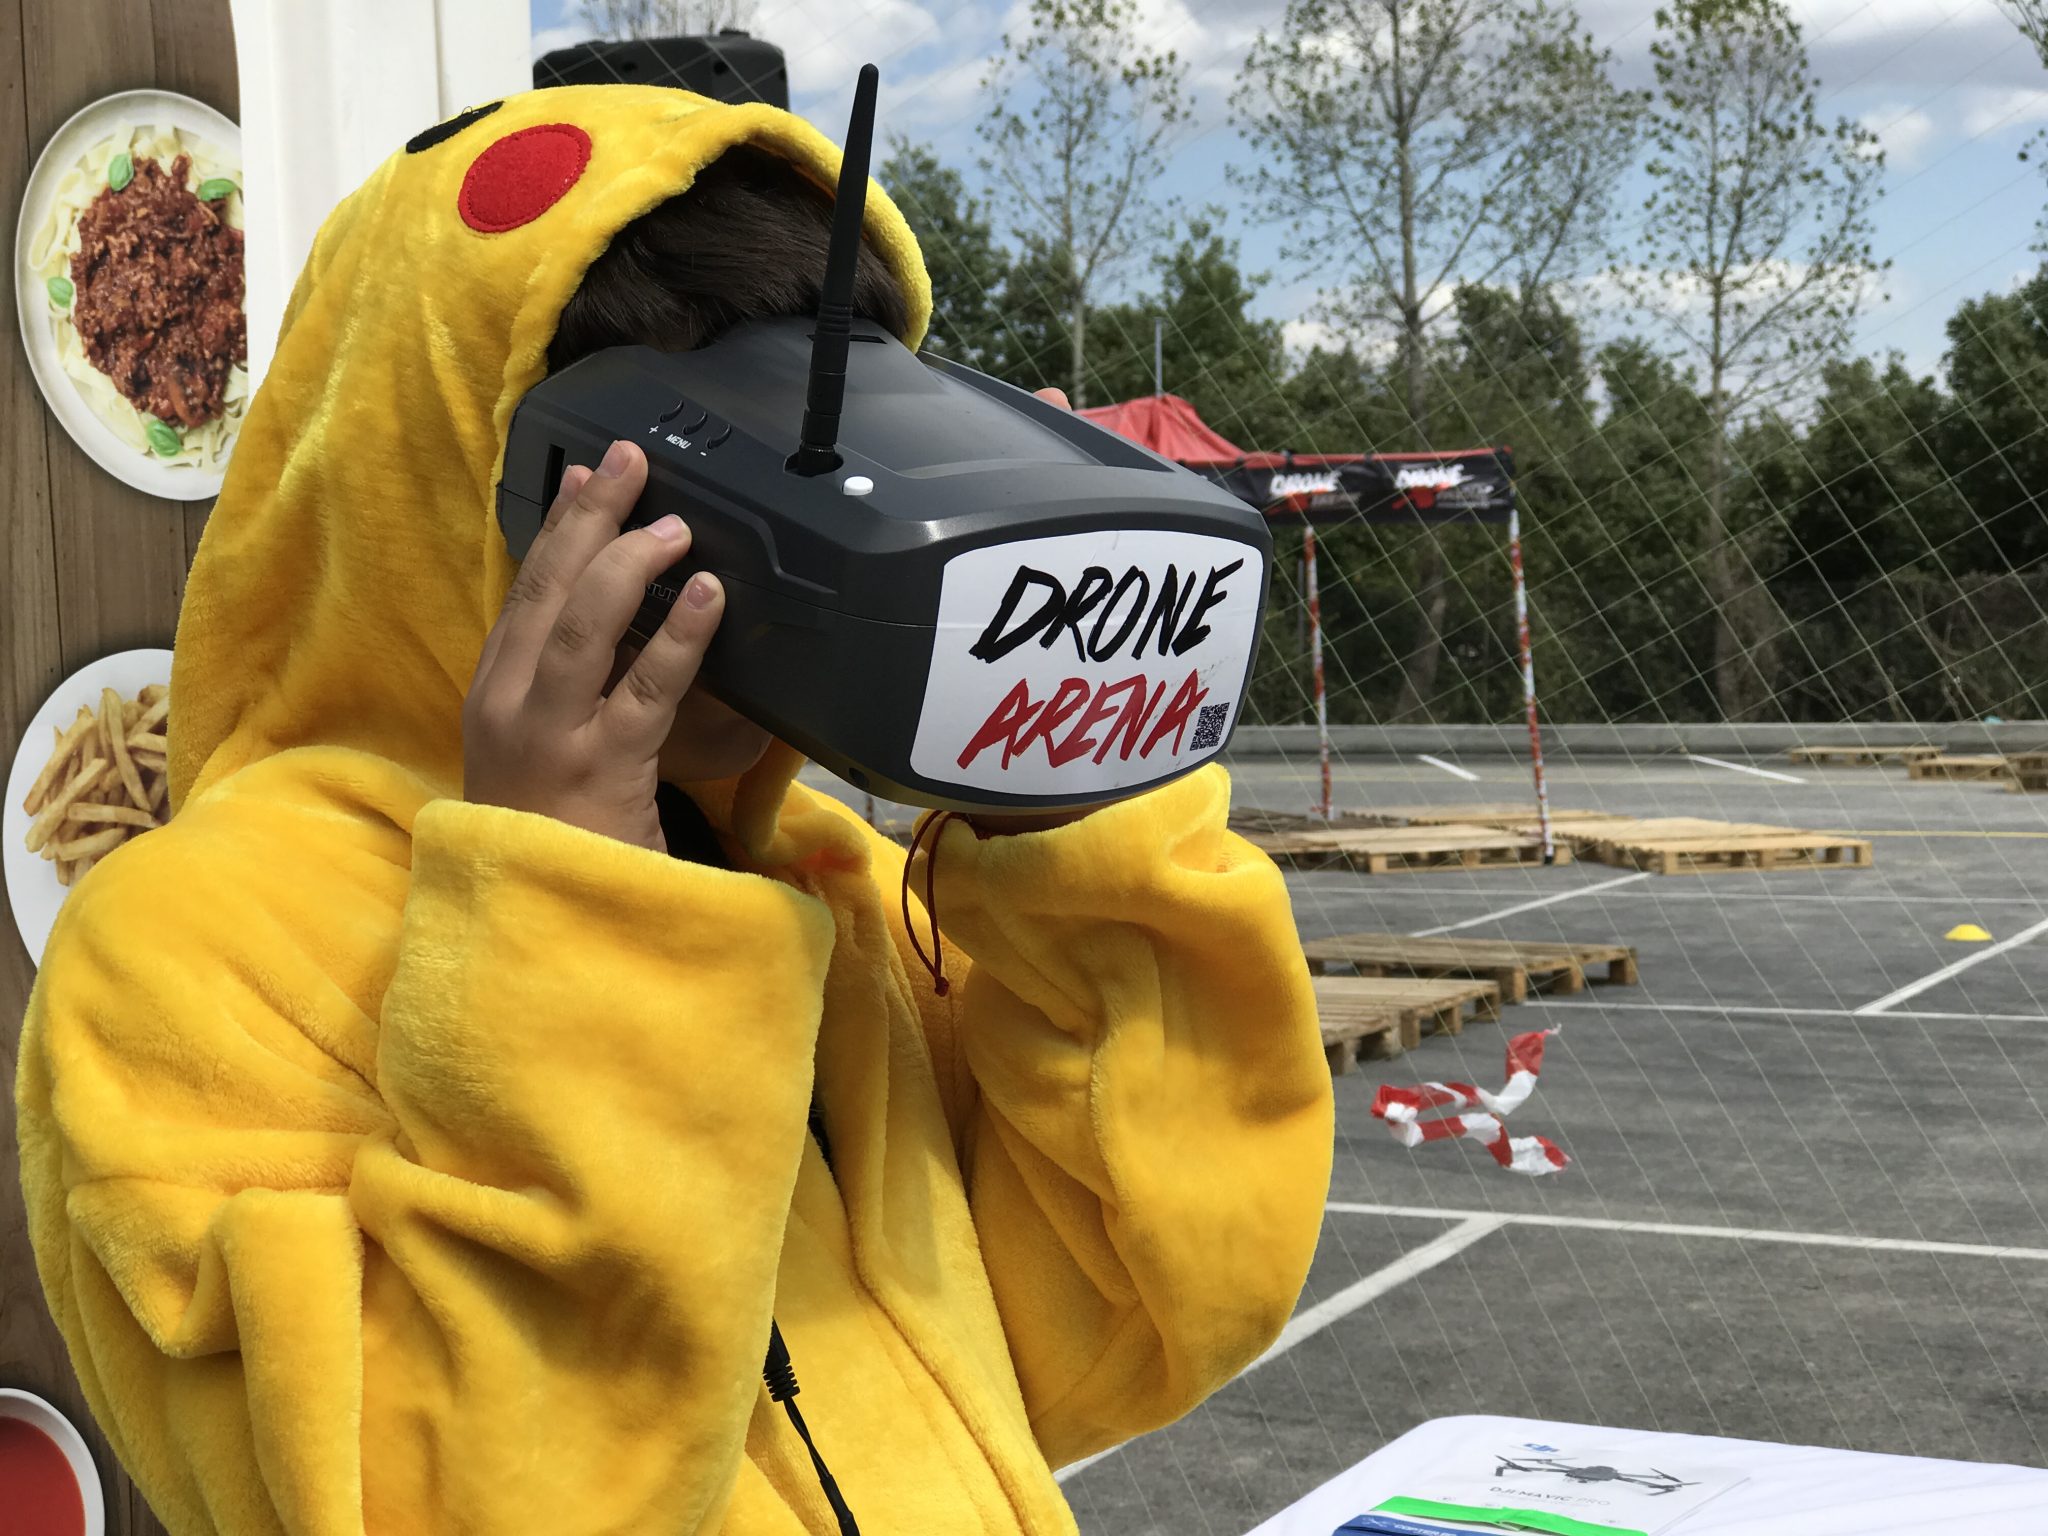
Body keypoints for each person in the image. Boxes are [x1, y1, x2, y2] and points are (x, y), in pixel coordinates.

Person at [15, 85, 1334, 1534]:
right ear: (447, 478)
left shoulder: (827, 887)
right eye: (668, 481)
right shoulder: (180, 960)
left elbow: (1137, 1318)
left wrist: (1070, 805)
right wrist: (574, 925)